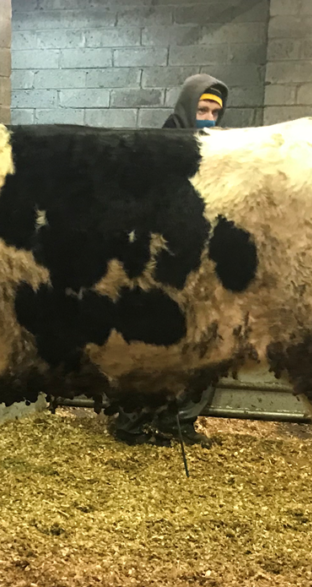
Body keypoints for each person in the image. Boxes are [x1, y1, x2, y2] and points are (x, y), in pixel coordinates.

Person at [108, 74, 228, 448]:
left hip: (203, 260)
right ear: (187, 105)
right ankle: (130, 421)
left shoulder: (221, 151)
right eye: (202, 108)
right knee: (150, 345)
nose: (207, 117)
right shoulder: (158, 147)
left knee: (204, 342)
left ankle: (178, 420)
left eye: (214, 111)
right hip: (157, 258)